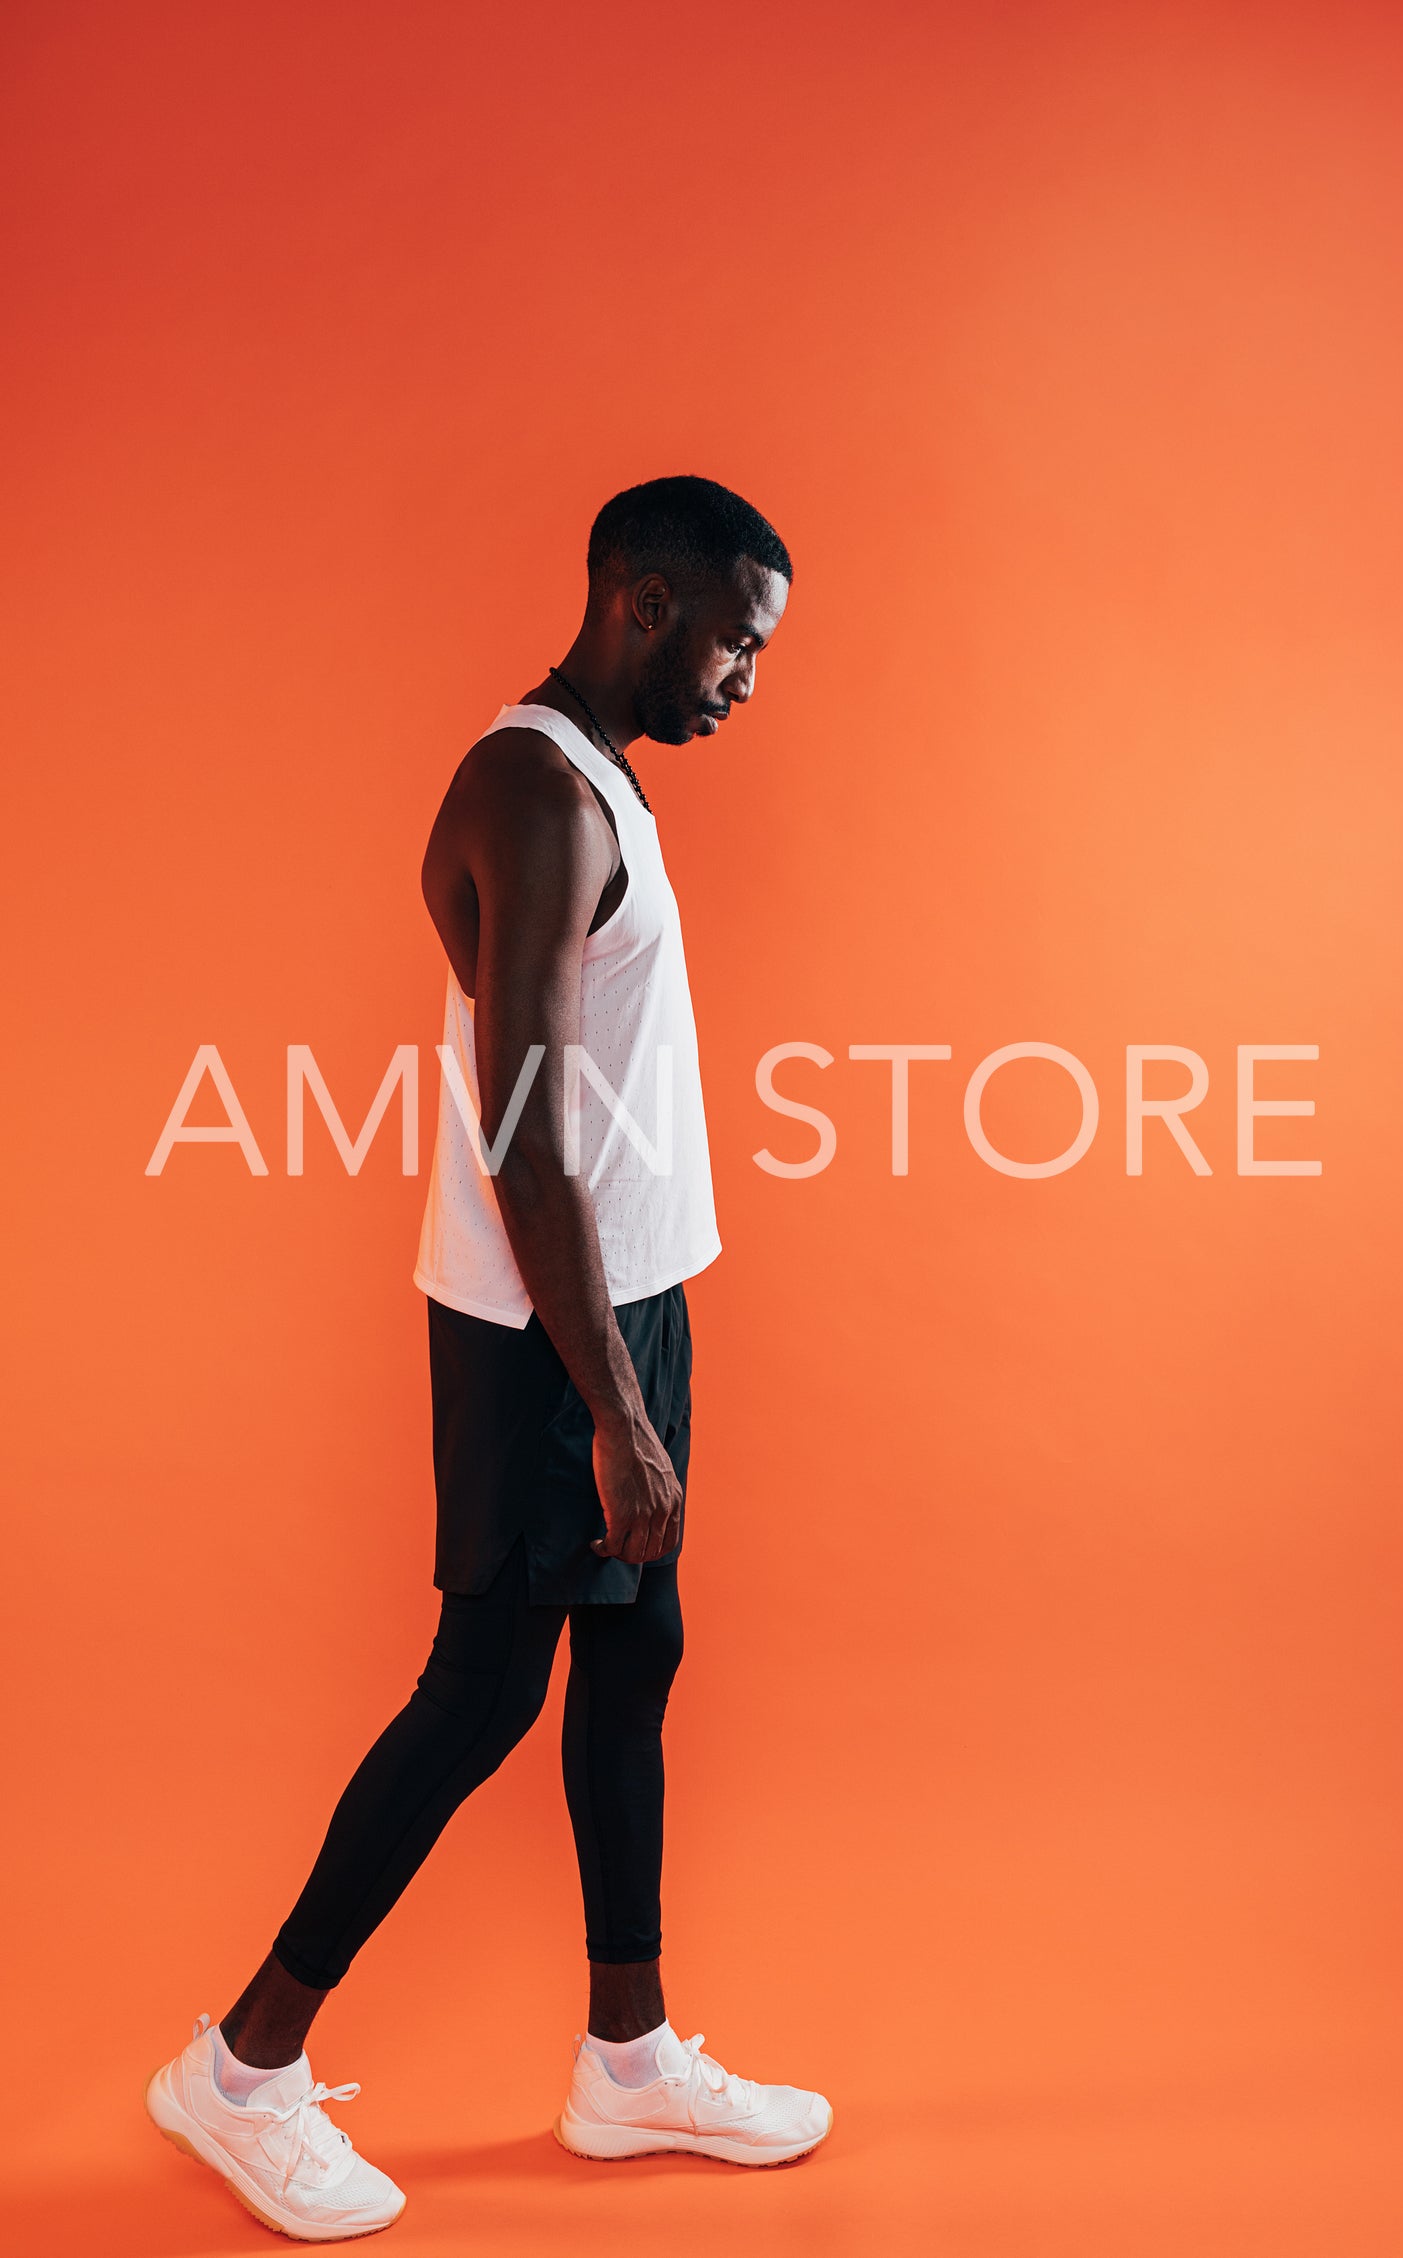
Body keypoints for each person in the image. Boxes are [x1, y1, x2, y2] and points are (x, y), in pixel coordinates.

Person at [145, 476, 831, 2240]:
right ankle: (240, 2065)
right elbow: (526, 1125)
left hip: (632, 1293)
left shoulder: (596, 778)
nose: (751, 677)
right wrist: (611, 1406)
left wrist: (640, 1361)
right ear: (646, 601)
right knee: (485, 1688)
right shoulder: (532, 793)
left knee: (637, 1647)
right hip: (552, 1321)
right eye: (738, 641)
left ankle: (627, 2053)